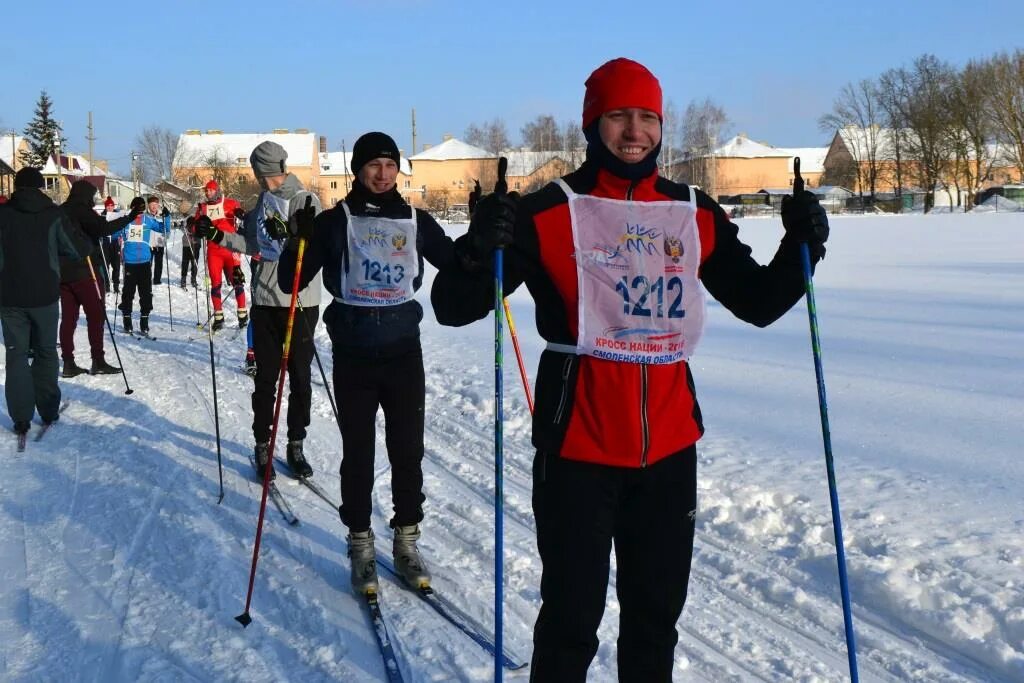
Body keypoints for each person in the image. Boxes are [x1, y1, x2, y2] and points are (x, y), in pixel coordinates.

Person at [430, 57, 830, 682]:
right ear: (592, 123)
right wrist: (479, 249)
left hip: (669, 454)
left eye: (647, 116)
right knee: (569, 621)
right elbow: (452, 309)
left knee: (653, 623)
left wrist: (801, 247)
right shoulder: (547, 211)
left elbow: (757, 301)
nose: (635, 130)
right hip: (577, 455)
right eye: (619, 115)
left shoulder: (692, 211)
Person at [278, 131, 459, 596]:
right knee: (358, 453)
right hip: (355, 353)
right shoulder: (336, 220)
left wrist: (492, 238)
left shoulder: (415, 218)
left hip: (403, 352)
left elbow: (459, 263)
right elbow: (290, 281)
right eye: (373, 165)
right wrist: (297, 241)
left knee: (407, 451)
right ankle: (360, 543)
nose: (382, 174)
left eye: (389, 165)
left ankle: (406, 540)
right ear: (357, 170)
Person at [192, 141, 322, 481]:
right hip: (265, 301)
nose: (259, 177)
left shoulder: (307, 201)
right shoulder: (261, 203)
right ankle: (262, 445)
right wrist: (218, 237)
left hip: (300, 302)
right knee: (266, 379)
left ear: (264, 170)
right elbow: (251, 246)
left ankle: (296, 444)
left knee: (301, 380)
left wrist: (303, 238)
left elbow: (319, 250)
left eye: (258, 171)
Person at [0, 168, 89, 434]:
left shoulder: (2, 214)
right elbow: (77, 249)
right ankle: (48, 410)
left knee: (16, 354)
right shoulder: (53, 214)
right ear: (41, 186)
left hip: (9, 296)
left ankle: (21, 417)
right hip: (45, 295)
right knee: (46, 351)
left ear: (16, 187)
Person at [58, 180, 137, 376]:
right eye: (92, 196)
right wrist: (130, 217)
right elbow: (103, 229)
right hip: (86, 270)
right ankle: (98, 360)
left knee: (68, 318)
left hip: (63, 273)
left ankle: (68, 362)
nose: (94, 200)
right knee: (96, 316)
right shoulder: (82, 210)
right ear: (85, 194)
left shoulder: (59, 210)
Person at [193, 180, 247, 331]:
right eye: (206, 191)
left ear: (216, 190)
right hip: (213, 251)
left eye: (210, 190)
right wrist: (195, 226)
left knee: (237, 281)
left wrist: (240, 214)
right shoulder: (202, 208)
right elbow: (195, 227)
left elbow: (242, 215)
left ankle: (242, 315)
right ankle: (218, 317)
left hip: (231, 249)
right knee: (215, 284)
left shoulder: (230, 202)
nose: (207, 193)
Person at [116, 196, 166, 335]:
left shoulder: (148, 220)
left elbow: (163, 229)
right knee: (128, 293)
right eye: (137, 209)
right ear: (132, 208)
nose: (140, 213)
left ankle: (144, 322)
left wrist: (166, 217)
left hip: (144, 263)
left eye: (142, 209)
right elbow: (114, 233)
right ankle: (127, 320)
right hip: (130, 263)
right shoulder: (126, 221)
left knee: (146, 293)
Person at [146, 196, 170, 284]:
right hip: (149, 243)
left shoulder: (162, 215)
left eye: (155, 204)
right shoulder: (146, 216)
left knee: (159, 263)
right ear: (148, 205)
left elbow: (167, 228)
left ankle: (157, 280)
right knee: (148, 263)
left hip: (160, 242)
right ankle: (147, 279)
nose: (154, 207)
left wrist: (167, 217)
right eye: (152, 204)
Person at [101, 196, 122, 293]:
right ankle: (107, 285)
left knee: (116, 265)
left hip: (115, 242)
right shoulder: (102, 216)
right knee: (106, 265)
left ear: (113, 206)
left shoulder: (117, 215)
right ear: (105, 207)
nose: (109, 207)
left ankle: (116, 285)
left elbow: (122, 227)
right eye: (108, 206)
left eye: (111, 206)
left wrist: (121, 235)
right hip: (105, 243)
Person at [180, 215, 200, 288]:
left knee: (194, 263)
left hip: (196, 245)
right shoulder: (186, 219)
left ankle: (193, 279)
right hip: (187, 245)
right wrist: (183, 226)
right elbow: (182, 228)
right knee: (185, 262)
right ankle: (183, 279)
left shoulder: (197, 220)